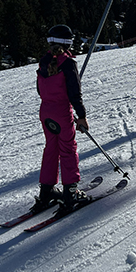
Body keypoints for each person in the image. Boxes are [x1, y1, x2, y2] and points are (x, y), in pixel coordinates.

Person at [32, 24, 91, 214]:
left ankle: (46, 191)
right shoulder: (68, 64)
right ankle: (70, 192)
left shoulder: (44, 62)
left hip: (46, 112)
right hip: (61, 114)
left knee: (51, 149)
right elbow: (75, 94)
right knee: (68, 149)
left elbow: (40, 90)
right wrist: (81, 116)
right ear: (68, 42)